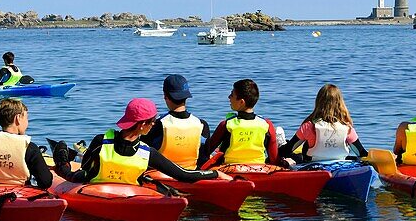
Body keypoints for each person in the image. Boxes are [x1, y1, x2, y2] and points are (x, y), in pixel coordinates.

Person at [51, 98, 227, 184]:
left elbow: (183, 176)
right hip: (87, 185)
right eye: (152, 121)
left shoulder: (101, 140)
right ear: (142, 124)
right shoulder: (145, 152)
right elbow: (184, 175)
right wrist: (216, 174)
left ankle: (63, 150)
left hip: (106, 186)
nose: (154, 125)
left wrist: (216, 174)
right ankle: (61, 153)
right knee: (66, 169)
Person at [279, 84, 367, 164]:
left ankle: (281, 143)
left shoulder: (309, 126)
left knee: (294, 155)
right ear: (340, 103)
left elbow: (287, 150)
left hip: (311, 165)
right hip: (339, 164)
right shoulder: (348, 128)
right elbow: (361, 153)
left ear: (318, 102)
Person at [203, 79, 280, 167]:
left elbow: (206, 152)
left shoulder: (226, 125)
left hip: (229, 172)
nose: (229, 97)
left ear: (241, 102)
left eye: (232, 95)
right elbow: (274, 159)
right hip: (259, 170)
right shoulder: (267, 125)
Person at [142, 74, 212, 170]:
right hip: (191, 175)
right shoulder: (202, 125)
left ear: (165, 96)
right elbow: (204, 159)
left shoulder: (157, 124)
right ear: (186, 96)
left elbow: (142, 154)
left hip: (160, 176)